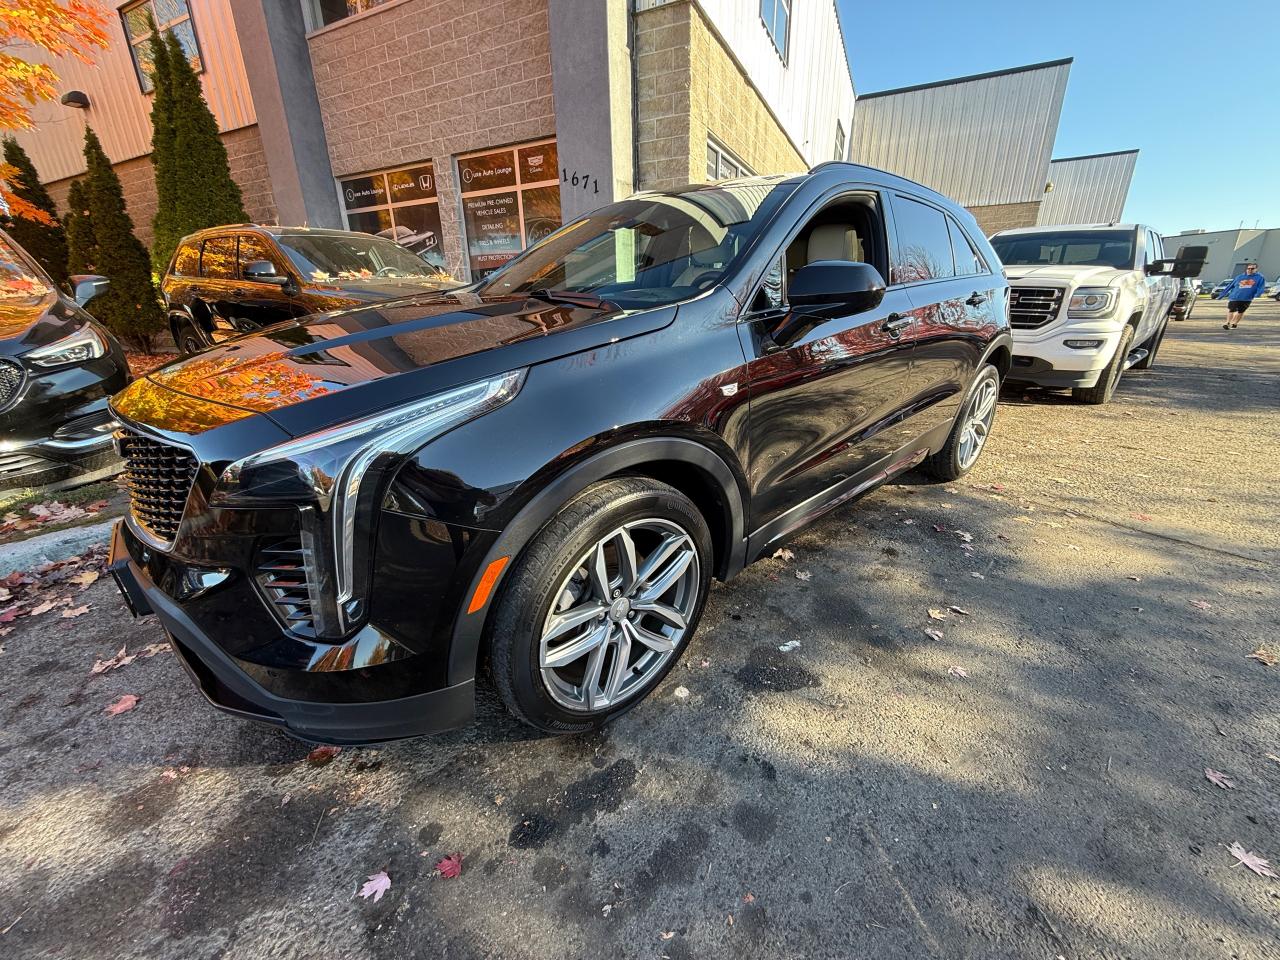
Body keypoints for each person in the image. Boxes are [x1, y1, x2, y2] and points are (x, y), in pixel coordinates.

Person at [1219, 262, 1267, 330]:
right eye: (1248, 268)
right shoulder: (1239, 277)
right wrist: (1222, 294)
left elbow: (1261, 287)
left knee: (1240, 312)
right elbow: (1230, 285)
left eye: (1252, 268)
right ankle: (1227, 323)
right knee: (1231, 310)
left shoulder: (1260, 278)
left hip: (1247, 298)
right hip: (1235, 297)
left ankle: (1234, 323)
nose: (1250, 270)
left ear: (1256, 269)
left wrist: (1258, 294)